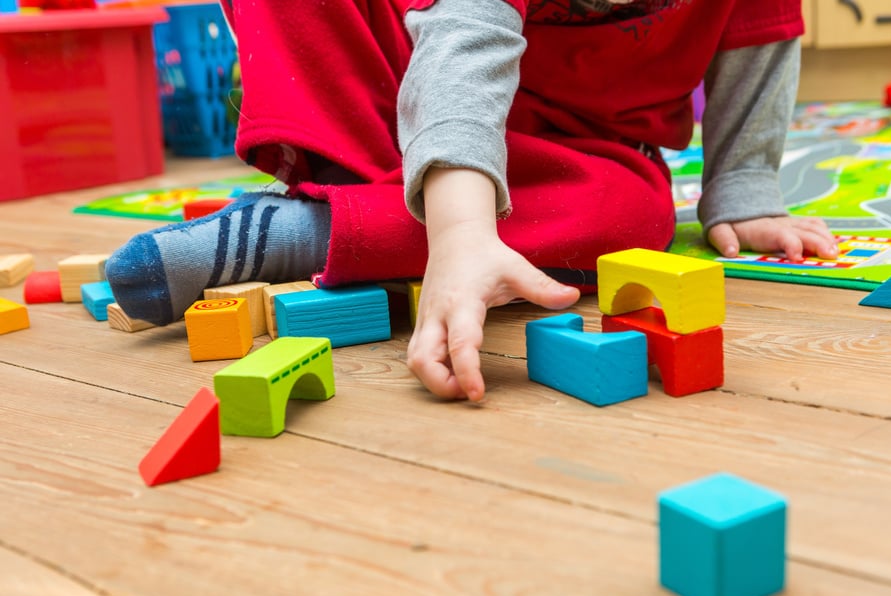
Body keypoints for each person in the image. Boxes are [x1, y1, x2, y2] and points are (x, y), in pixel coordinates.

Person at [106, 0, 838, 402]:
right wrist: (458, 234)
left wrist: (743, 185)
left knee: (638, 213)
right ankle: (339, 187)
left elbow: (759, 39)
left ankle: (317, 226)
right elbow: (465, 37)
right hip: (418, 100)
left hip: (577, 158)